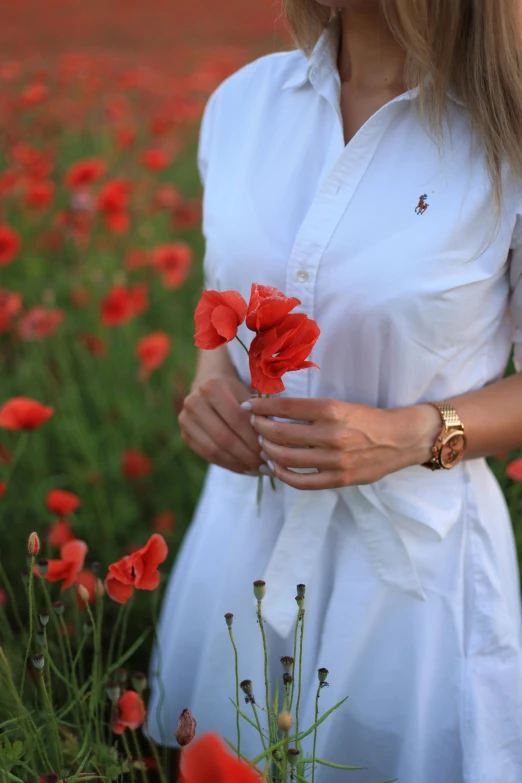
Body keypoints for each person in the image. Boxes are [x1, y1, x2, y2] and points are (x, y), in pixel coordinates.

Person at [147, 1, 522, 780]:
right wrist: (211, 381)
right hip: (240, 549)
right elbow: (226, 300)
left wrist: (414, 432)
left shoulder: (505, 135)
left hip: (414, 586)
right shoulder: (245, 107)